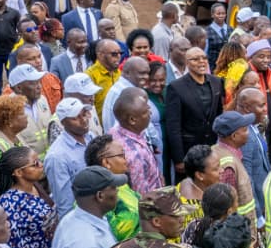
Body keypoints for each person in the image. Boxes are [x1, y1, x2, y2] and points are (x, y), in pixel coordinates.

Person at [165, 47, 224, 176]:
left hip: (212, 147)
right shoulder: (176, 87)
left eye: (204, 58)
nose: (201, 62)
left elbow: (219, 116)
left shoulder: (216, 82)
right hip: (189, 150)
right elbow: (173, 126)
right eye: (195, 59)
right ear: (187, 62)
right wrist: (179, 158)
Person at [45, 98, 96, 216]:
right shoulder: (57, 157)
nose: (83, 120)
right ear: (63, 122)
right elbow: (65, 204)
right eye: (75, 118)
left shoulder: (90, 137)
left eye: (84, 114)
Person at [84, 133, 140, 240]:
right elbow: (117, 233)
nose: (126, 159)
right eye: (121, 155)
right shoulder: (97, 196)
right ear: (106, 162)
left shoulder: (121, 183)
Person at [109, 87, 163, 196]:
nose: (150, 113)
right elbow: (143, 196)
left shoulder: (117, 130)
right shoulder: (134, 156)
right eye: (145, 112)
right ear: (132, 120)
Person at [211, 111, 259, 226]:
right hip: (238, 231)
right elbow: (227, 209)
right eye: (245, 130)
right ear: (234, 136)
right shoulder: (229, 166)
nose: (248, 133)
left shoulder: (214, 150)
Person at [233, 87, 271, 220]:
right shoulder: (245, 136)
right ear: (247, 108)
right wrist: (258, 216)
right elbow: (246, 179)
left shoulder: (251, 128)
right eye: (261, 106)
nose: (266, 109)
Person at [4, 61, 55, 155]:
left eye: (39, 82)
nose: (39, 86)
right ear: (19, 88)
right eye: (33, 83)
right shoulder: (8, 110)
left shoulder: (42, 100)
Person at [247, 38, 271, 151]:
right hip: (256, 132)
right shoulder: (247, 76)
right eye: (261, 56)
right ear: (251, 57)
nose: (266, 60)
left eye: (268, 57)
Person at [176, 145, 224, 229]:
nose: (222, 170)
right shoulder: (194, 211)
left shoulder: (188, 181)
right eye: (216, 169)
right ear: (200, 175)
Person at [88, 39, 123, 124]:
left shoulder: (120, 73)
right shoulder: (90, 75)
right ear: (100, 55)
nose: (119, 57)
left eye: (120, 53)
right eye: (114, 54)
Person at [206, 2, 229, 68]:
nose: (221, 16)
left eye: (223, 13)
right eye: (218, 14)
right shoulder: (207, 32)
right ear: (212, 15)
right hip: (213, 67)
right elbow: (205, 52)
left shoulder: (231, 29)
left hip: (228, 67)